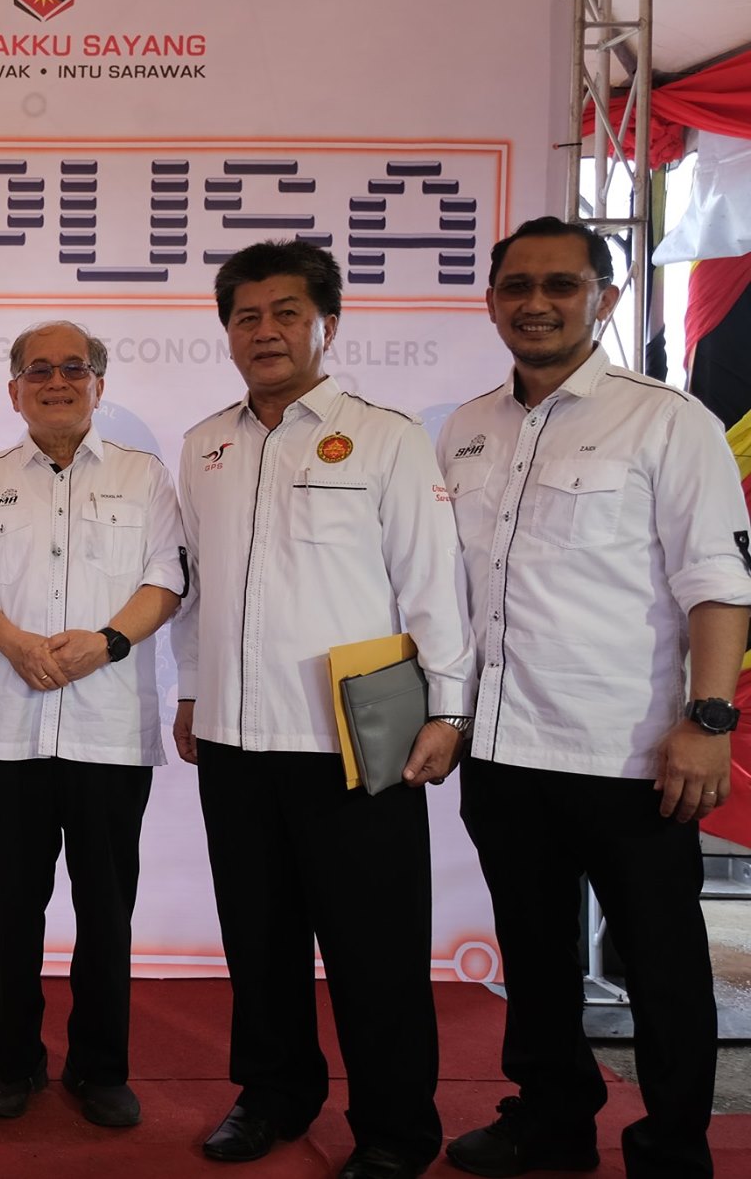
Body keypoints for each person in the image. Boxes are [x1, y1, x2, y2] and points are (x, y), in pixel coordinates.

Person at [437, 217, 751, 1179]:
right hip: (502, 746)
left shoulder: (669, 421)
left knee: (662, 964)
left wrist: (708, 721)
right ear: (492, 302)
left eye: (560, 285)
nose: (536, 303)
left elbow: (719, 583)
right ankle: (552, 1121)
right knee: (533, 956)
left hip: (632, 751)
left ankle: (671, 1146)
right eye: (516, 286)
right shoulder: (466, 429)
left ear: (603, 300)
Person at [170, 239, 475, 1179]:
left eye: (287, 313)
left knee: (374, 950)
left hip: (355, 738)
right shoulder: (206, 443)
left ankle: (394, 1130)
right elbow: (195, 587)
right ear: (227, 332)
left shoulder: (384, 436)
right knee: (258, 940)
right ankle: (273, 1093)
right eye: (247, 316)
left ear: (327, 325)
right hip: (234, 736)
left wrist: (449, 710)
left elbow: (433, 581)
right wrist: (190, 689)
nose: (265, 331)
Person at [0, 321, 184, 1127]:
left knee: (106, 913)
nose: (57, 382)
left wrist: (106, 642)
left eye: (74, 368)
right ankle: (13, 1062)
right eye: (39, 370)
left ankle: (100, 1067)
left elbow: (167, 578)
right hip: (8, 732)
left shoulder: (144, 476)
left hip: (109, 730)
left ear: (99, 384)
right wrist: (16, 642)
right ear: (14, 389)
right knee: (13, 912)